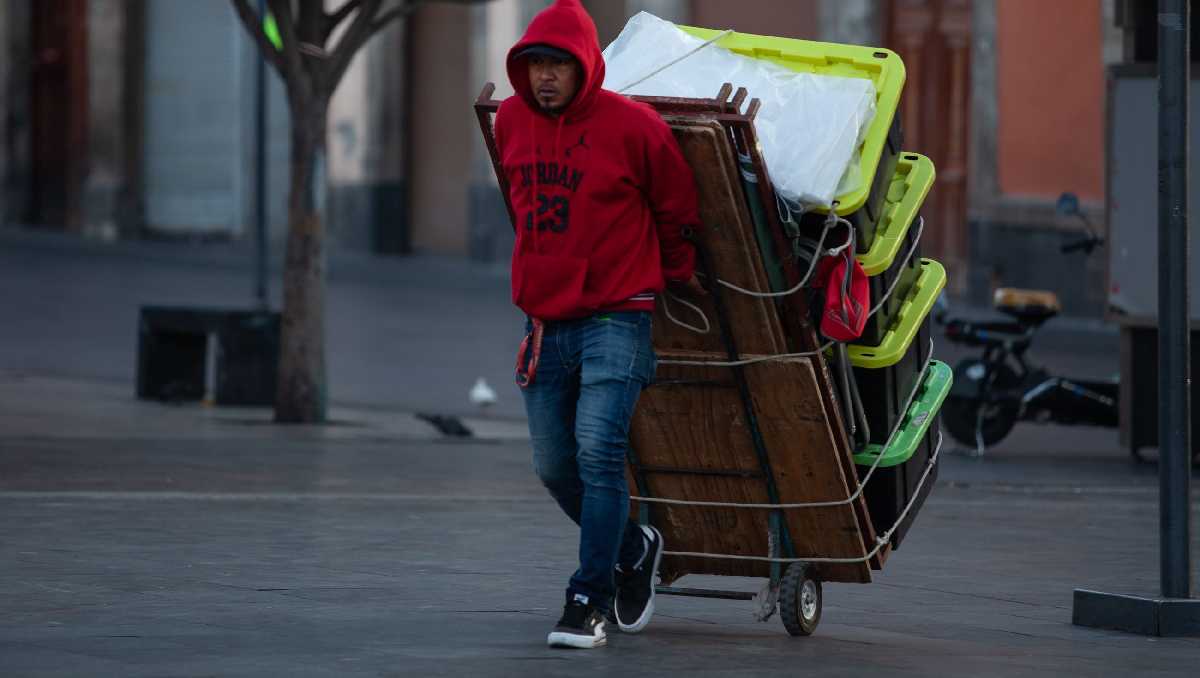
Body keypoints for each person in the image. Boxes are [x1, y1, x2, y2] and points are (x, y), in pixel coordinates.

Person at [493, 0, 704, 650]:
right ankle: (633, 543)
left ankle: (588, 599)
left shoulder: (634, 128)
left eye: (557, 64)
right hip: (546, 320)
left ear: (585, 66)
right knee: (554, 465)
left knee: (598, 452)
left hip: (618, 313)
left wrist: (663, 275)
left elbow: (677, 207)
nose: (545, 78)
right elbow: (520, 203)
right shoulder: (508, 121)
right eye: (534, 66)